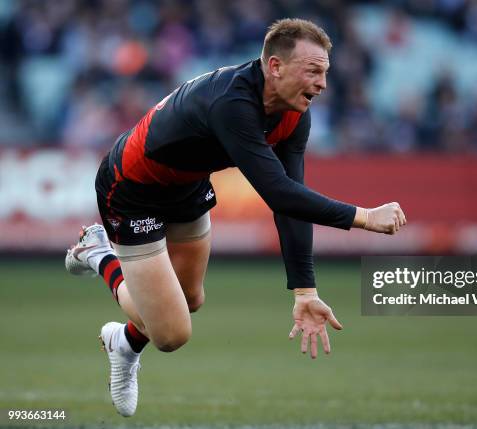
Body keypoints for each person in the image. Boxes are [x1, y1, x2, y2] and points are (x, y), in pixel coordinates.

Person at [65, 18, 406, 417]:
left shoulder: (295, 113)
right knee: (173, 334)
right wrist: (365, 217)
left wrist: (305, 292)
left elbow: (288, 201)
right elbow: (278, 192)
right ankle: (99, 252)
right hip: (131, 190)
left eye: (325, 72)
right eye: (313, 71)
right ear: (275, 67)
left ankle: (124, 342)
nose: (322, 84)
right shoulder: (232, 103)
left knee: (191, 299)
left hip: (186, 186)